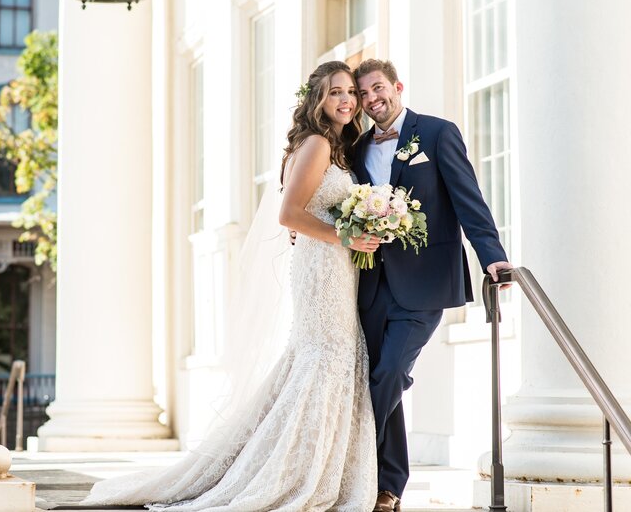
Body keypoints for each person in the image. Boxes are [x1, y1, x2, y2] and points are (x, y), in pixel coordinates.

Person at [80, 60, 380, 510]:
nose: (346, 100)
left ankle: (311, 466)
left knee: (325, 360)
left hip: (333, 264)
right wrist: (346, 235)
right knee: (327, 358)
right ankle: (295, 472)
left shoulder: (335, 147)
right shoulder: (317, 144)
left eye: (350, 93)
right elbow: (288, 214)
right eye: (335, 92)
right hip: (322, 267)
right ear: (317, 99)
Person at [350, 58, 513, 512]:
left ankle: (346, 459)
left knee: (387, 375)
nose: (371, 99)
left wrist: (492, 256)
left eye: (377, 88)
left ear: (397, 86)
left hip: (425, 281)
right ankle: (388, 488)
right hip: (370, 282)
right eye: (363, 94)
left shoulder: (437, 133)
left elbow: (468, 200)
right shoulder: (358, 147)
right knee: (382, 378)